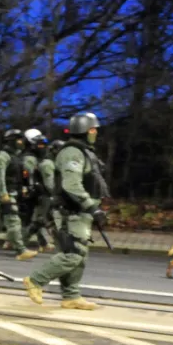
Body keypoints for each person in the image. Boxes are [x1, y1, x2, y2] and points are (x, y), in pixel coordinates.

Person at [24, 112, 107, 309]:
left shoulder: (84, 151)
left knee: (79, 255)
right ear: (84, 130)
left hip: (80, 211)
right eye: (92, 129)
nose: (95, 133)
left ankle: (71, 296)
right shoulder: (73, 153)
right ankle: (36, 280)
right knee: (73, 253)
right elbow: (71, 184)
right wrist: (90, 206)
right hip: (72, 211)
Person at [0, 129, 36, 260]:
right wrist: (3, 193)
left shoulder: (15, 156)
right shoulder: (3, 156)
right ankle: (21, 250)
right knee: (13, 221)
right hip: (7, 194)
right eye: (18, 140)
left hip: (13, 192)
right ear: (12, 141)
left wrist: (23, 188)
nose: (21, 142)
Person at [25, 129, 57, 251]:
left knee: (39, 218)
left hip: (38, 191)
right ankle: (18, 243)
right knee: (35, 219)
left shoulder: (40, 157)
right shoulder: (30, 158)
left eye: (43, 144)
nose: (42, 147)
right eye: (39, 144)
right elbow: (30, 175)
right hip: (35, 192)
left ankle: (43, 243)